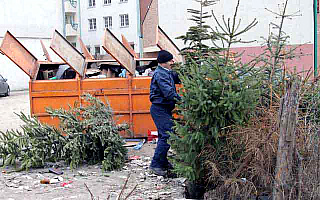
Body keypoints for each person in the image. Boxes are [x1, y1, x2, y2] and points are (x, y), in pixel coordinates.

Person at [149, 50, 181, 176]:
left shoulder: (166, 72)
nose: (173, 62)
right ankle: (156, 165)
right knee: (167, 135)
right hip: (159, 109)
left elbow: (176, 77)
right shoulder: (160, 75)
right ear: (164, 63)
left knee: (167, 134)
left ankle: (163, 162)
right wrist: (184, 101)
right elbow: (168, 93)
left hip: (164, 109)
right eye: (171, 61)